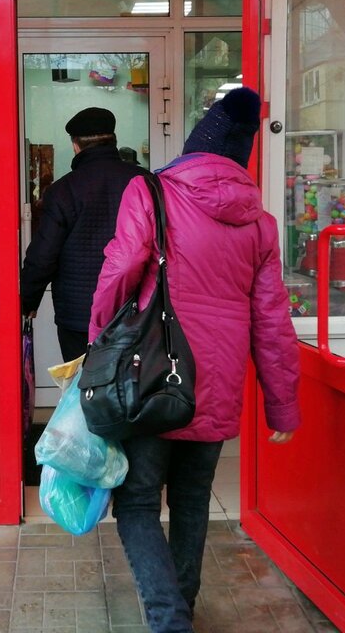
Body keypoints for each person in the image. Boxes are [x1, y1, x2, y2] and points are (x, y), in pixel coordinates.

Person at [88, 87, 301, 633]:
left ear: (192, 149)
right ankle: (179, 606)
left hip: (151, 376)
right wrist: (282, 404)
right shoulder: (260, 223)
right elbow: (272, 318)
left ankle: (169, 619)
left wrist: (99, 348)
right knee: (191, 501)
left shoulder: (150, 191)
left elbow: (119, 272)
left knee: (137, 503)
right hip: (217, 385)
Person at [21, 107, 143, 361]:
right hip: (136, 310)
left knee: (81, 382)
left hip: (79, 316)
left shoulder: (63, 190)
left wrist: (28, 301)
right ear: (113, 141)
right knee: (135, 381)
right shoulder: (145, 182)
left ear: (75, 146)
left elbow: (43, 256)